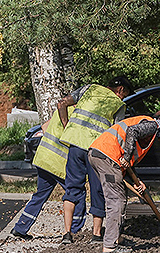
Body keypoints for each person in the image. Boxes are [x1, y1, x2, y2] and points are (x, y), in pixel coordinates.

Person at [57, 76, 133, 244]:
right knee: (97, 189)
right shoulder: (119, 104)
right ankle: (96, 235)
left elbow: (61, 103)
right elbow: (118, 132)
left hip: (75, 145)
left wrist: (67, 126)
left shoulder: (89, 89)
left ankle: (67, 234)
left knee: (72, 187)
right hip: (97, 150)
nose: (123, 97)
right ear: (120, 90)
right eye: (125, 93)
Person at [89, 113, 160, 253]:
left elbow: (130, 161)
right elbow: (132, 131)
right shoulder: (153, 126)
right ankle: (109, 246)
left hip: (100, 154)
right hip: (108, 156)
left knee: (120, 195)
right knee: (116, 200)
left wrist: (137, 181)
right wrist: (126, 156)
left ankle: (116, 238)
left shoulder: (149, 130)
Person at [11, 107, 87, 239]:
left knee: (39, 195)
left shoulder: (64, 109)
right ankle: (75, 231)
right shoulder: (81, 115)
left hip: (44, 159)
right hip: (59, 163)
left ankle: (20, 227)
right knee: (77, 194)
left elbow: (44, 127)